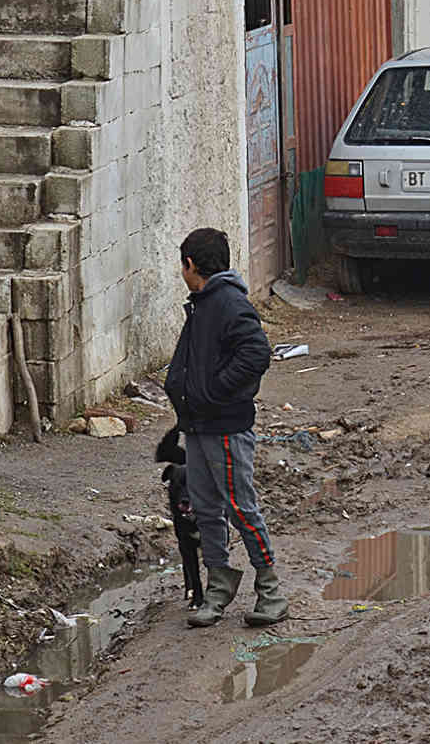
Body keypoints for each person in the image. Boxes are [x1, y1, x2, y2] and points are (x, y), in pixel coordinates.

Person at [162, 228, 286, 628]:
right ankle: (219, 585)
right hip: (197, 426)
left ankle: (271, 591)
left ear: (190, 265)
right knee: (205, 508)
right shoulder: (202, 303)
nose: (181, 271)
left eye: (182, 264)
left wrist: (213, 392)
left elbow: (256, 354)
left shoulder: (229, 302)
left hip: (225, 427)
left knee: (241, 509)